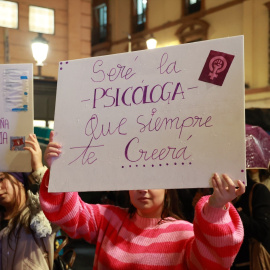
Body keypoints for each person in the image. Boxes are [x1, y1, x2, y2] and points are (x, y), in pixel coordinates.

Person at [40, 131, 245, 270]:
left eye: (152, 181)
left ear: (167, 186)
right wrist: (59, 170)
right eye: (135, 180)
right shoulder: (109, 219)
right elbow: (69, 215)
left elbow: (214, 261)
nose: (142, 188)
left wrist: (217, 207)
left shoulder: (184, 233)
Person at [0, 134, 57, 270]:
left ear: (19, 181)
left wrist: (38, 168)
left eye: (2, 179)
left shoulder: (38, 214)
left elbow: (57, 204)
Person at [231, 171, 270, 269]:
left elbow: (262, 231)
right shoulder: (212, 197)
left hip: (250, 262)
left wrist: (233, 211)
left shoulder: (258, 191)